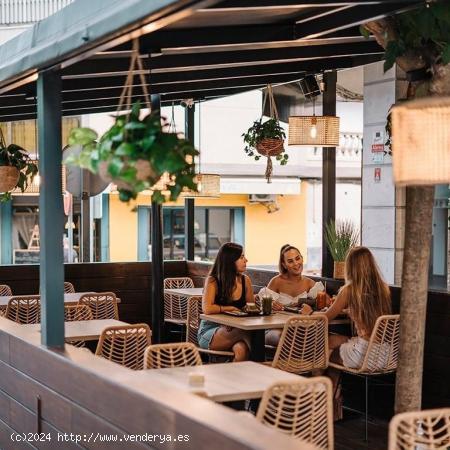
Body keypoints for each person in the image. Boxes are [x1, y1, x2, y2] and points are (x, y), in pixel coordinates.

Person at [300, 246, 392, 418]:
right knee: (331, 342)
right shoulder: (383, 288)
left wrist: (309, 312)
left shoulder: (349, 290)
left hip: (363, 355)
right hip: (385, 354)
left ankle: (317, 405)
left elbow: (324, 318)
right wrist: (350, 310)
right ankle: (335, 406)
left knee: (321, 353)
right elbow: (371, 313)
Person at [198, 242, 254, 361]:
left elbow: (251, 308)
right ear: (230, 260)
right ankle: (262, 363)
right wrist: (229, 309)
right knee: (245, 331)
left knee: (241, 350)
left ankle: (233, 379)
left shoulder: (245, 280)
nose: (246, 260)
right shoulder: (213, 281)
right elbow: (207, 309)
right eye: (242, 257)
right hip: (210, 331)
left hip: (234, 328)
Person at [264, 244, 321, 347]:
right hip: (274, 329)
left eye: (297, 258)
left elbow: (324, 304)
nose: (296, 263)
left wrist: (306, 304)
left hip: (299, 329)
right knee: (286, 337)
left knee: (305, 339)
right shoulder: (276, 282)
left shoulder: (310, 283)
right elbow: (261, 303)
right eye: (290, 261)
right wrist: (271, 304)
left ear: (302, 259)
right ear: (284, 264)